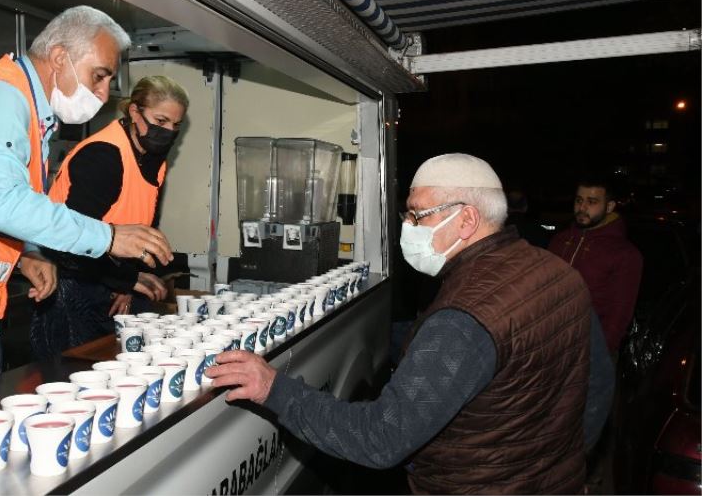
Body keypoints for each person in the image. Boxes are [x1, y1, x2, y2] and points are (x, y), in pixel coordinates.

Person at [208, 153, 611, 494]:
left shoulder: (464, 318)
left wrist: (274, 389)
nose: (408, 228)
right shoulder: (559, 274)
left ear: (467, 220)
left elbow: (382, 438)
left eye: (419, 216)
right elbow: (598, 387)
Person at [0, 6, 173, 385]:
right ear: (60, 56)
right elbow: (1, 202)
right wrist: (109, 236)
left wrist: (25, 257)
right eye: (99, 76)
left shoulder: (31, 112)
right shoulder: (2, 95)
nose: (102, 93)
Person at [31, 76, 188, 358]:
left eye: (176, 125)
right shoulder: (103, 156)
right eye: (161, 120)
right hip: (68, 280)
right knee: (72, 375)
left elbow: (140, 229)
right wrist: (123, 279)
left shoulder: (153, 160)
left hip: (105, 277)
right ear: (134, 112)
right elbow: (73, 240)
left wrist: (126, 282)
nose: (168, 131)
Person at [548, 174, 643, 356]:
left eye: (591, 202)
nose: (582, 208)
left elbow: (620, 313)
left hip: (590, 351)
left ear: (609, 207)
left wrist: (599, 353)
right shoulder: (559, 241)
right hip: (551, 344)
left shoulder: (624, 254)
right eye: (579, 200)